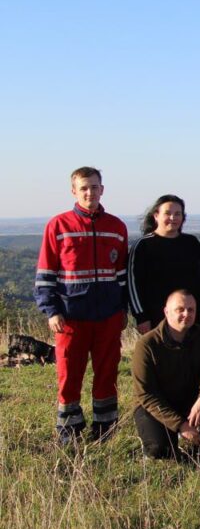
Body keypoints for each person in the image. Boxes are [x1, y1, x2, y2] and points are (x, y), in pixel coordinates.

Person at [35, 166, 129, 443]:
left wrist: (122, 309)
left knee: (107, 374)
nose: (90, 192)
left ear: (102, 189)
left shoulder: (117, 227)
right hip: (70, 316)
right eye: (84, 188)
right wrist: (51, 310)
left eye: (94, 187)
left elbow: (121, 274)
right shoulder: (58, 225)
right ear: (74, 191)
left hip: (109, 315)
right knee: (68, 375)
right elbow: (45, 273)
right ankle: (69, 433)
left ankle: (105, 431)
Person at [132, 290, 200, 459]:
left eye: (191, 310)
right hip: (155, 407)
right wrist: (180, 425)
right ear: (166, 312)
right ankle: (161, 443)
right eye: (180, 309)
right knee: (160, 451)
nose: (186, 314)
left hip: (189, 400)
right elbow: (146, 394)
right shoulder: (147, 344)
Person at [128, 195, 200, 334]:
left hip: (191, 318)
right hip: (156, 320)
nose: (173, 218)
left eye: (178, 214)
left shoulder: (191, 243)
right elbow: (133, 284)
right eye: (168, 213)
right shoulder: (143, 246)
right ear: (156, 216)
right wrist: (141, 317)